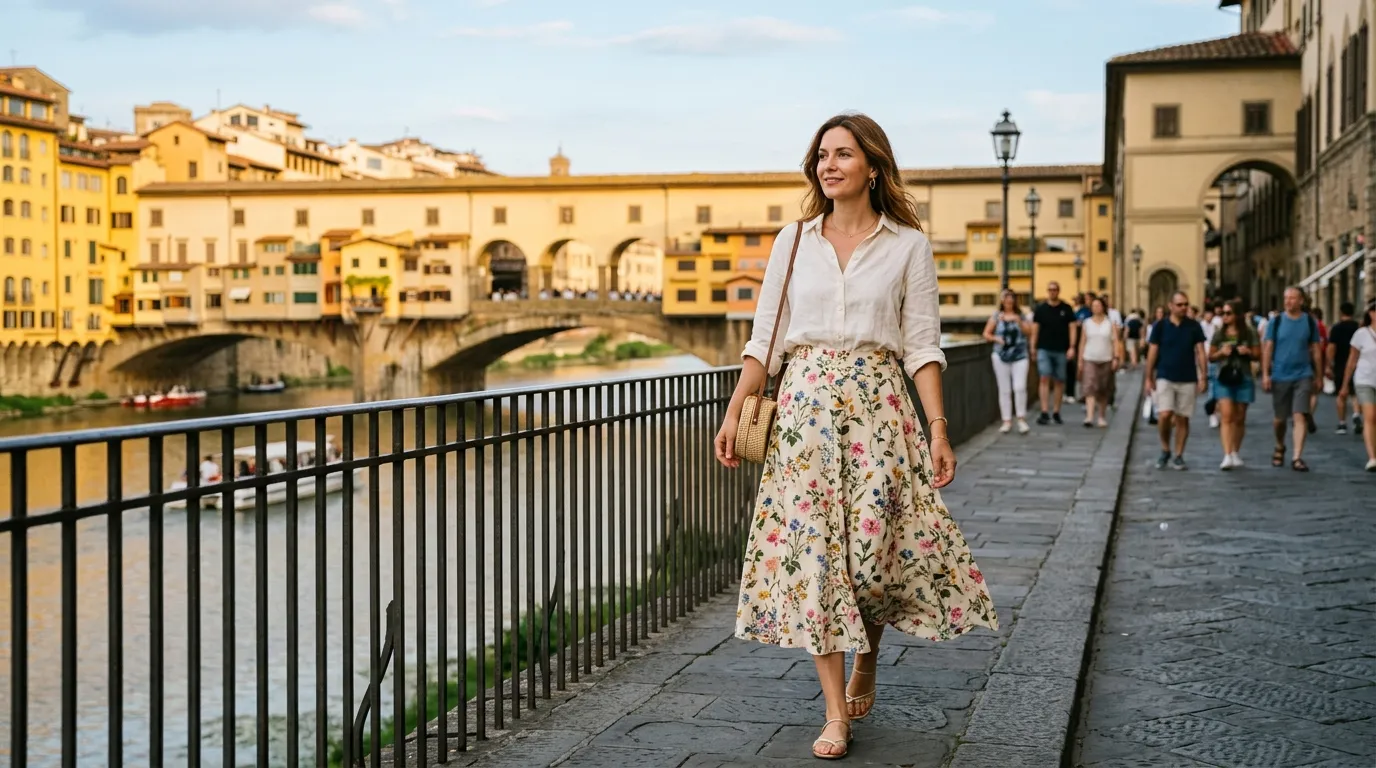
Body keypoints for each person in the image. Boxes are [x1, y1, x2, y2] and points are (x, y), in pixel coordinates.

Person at [713, 113, 997, 760]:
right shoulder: (792, 242)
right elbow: (766, 341)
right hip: (805, 415)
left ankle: (868, 648)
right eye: (821, 155)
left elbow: (923, 344)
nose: (829, 165)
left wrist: (939, 429)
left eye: (843, 154)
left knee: (871, 557)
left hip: (880, 413)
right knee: (816, 562)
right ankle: (835, 714)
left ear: (874, 165)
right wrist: (736, 411)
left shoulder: (907, 246)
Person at [1261, 287, 1323, 472]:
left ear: (1301, 301)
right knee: (1279, 419)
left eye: (1292, 298)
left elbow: (1316, 350)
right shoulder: (1276, 321)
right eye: (1286, 298)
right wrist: (1265, 373)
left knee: (1300, 415)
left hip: (1303, 374)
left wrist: (1318, 375)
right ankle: (1280, 445)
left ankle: (1297, 457)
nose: (1288, 301)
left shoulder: (1309, 322)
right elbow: (1268, 348)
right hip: (1280, 375)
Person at [1145, 291, 1208, 470]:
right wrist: (1148, 377)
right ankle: (1165, 448)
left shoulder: (1194, 326)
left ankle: (1179, 454)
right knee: (1164, 414)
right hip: (1165, 375)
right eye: (1179, 304)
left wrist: (1204, 375)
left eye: (1185, 304)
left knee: (1182, 418)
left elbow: (1201, 351)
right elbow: (1152, 352)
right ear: (1170, 306)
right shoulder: (1160, 326)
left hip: (1188, 377)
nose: (1183, 308)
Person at [1209, 301, 1259, 470]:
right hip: (1223, 376)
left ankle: (1235, 451)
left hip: (1243, 376)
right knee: (1227, 415)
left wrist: (1248, 352)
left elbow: (1257, 354)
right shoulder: (1219, 333)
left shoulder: (1249, 332)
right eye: (1223, 313)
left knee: (1240, 416)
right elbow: (1211, 356)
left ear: (1237, 315)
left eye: (1228, 313)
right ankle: (1227, 454)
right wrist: (1221, 353)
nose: (1225, 316)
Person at [982, 289, 1032, 434]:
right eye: (1006, 298)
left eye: (1011, 298)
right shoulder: (997, 316)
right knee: (1004, 389)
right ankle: (1007, 420)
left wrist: (1019, 322)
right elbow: (986, 333)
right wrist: (996, 339)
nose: (1009, 301)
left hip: (1020, 355)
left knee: (1020, 387)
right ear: (1002, 301)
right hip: (1001, 355)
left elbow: (1029, 332)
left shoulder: (1021, 315)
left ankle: (1021, 419)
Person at [1336, 299, 1376, 471]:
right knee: (1371, 417)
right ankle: (1373, 457)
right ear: (1370, 313)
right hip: (1365, 380)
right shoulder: (1361, 334)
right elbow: (1352, 361)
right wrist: (1345, 385)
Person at [1031, 281, 1078, 425]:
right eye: (1050, 289)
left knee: (1059, 380)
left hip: (1061, 349)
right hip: (1044, 348)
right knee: (1044, 378)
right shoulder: (1041, 309)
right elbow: (1035, 329)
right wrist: (1033, 347)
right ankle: (1044, 411)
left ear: (1058, 291)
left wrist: (1072, 347)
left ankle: (1056, 411)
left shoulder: (1066, 308)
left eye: (1055, 289)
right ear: (1047, 291)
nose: (1052, 292)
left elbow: (1072, 328)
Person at [1077, 296, 1122, 428]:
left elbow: (1115, 341)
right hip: (1089, 358)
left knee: (1103, 389)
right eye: (1094, 306)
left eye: (1099, 305)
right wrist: (1080, 360)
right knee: (1090, 387)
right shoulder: (1087, 323)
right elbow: (1082, 343)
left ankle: (1101, 416)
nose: (1096, 308)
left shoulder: (1110, 323)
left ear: (1103, 307)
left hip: (1106, 358)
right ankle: (1089, 416)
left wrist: (1116, 357)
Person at [1327, 302, 1360, 436]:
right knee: (1355, 393)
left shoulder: (1336, 328)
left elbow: (1331, 348)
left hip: (1340, 364)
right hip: (1357, 364)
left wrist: (1329, 364)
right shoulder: (1359, 328)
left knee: (1341, 394)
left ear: (1341, 312)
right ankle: (1356, 414)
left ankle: (1342, 423)